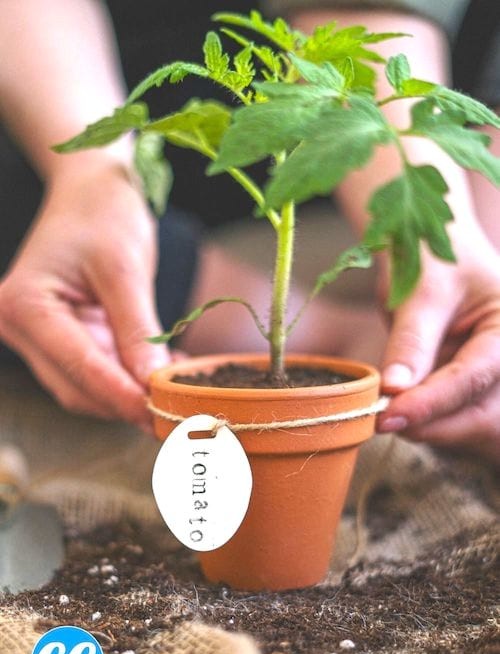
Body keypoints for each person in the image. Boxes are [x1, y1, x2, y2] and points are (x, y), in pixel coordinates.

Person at [0, 1, 498, 467]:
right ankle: (337, 335)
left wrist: (434, 236)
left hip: (391, 80)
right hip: (107, 78)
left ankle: (455, 301)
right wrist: (91, 174)